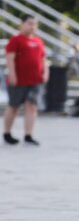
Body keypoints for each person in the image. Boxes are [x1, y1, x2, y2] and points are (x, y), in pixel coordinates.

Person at [4, 15, 48, 146]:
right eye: (29, 23)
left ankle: (28, 134)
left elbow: (43, 59)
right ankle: (7, 133)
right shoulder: (16, 40)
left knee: (32, 106)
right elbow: (10, 58)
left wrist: (45, 72)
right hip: (19, 80)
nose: (32, 26)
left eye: (34, 24)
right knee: (14, 106)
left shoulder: (39, 41)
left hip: (35, 80)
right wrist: (12, 74)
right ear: (22, 24)